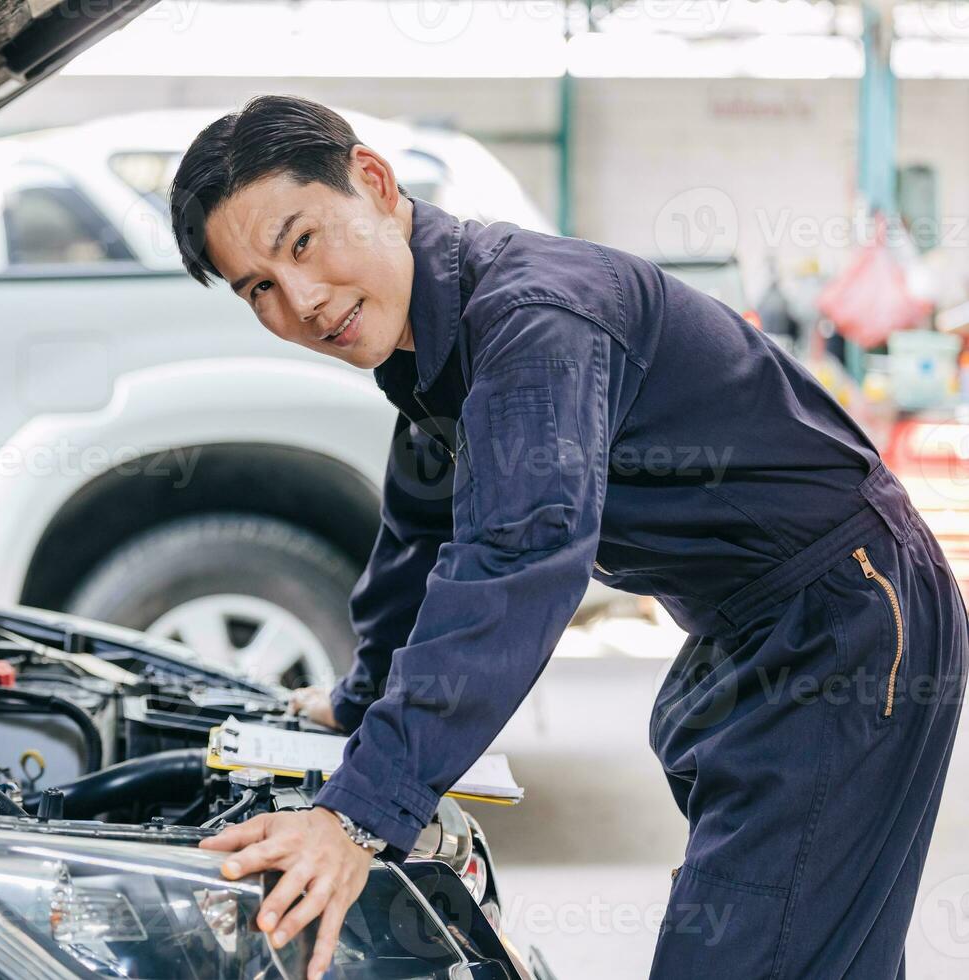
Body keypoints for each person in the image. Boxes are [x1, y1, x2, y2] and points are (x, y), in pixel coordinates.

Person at [168, 94, 967, 980]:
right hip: (754, 625)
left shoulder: (532, 320)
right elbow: (423, 534)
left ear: (374, 182)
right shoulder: (426, 337)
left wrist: (358, 815)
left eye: (303, 244)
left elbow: (515, 558)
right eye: (259, 290)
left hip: (847, 617)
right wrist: (362, 704)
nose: (304, 302)